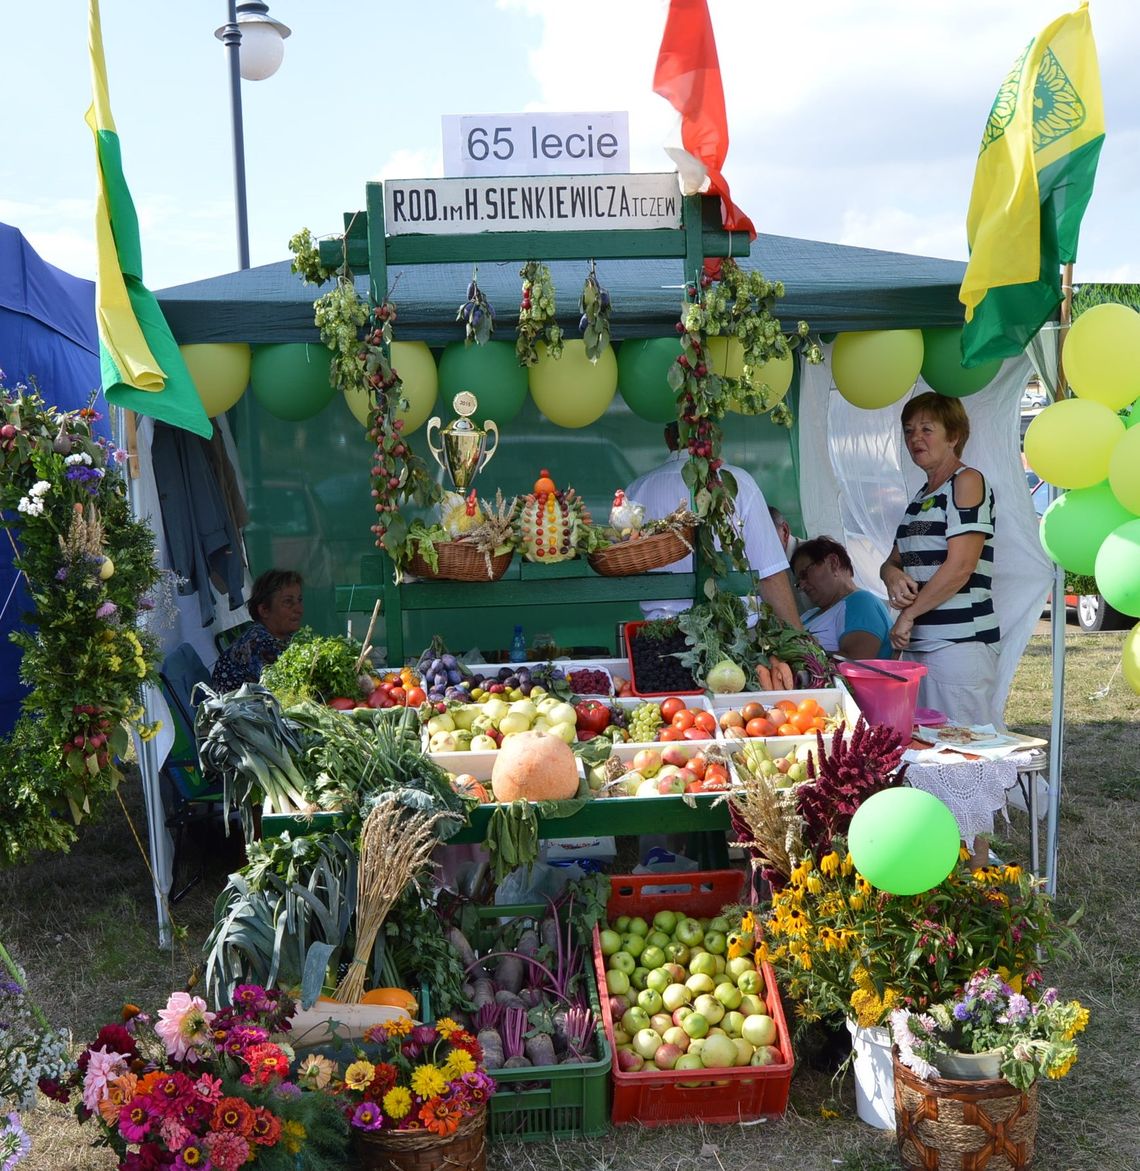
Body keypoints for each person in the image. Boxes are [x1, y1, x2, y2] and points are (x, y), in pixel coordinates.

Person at [879, 393, 1000, 725]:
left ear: (954, 436)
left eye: (926, 429)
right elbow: (892, 561)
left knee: (965, 744)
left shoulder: (967, 481)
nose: (915, 438)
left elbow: (961, 567)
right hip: (921, 643)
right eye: (908, 430)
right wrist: (891, 575)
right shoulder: (922, 497)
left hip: (958, 645)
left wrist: (908, 614)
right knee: (930, 744)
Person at [625, 423, 801, 629]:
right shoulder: (741, 483)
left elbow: (623, 563)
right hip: (736, 633)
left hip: (662, 632)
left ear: (667, 437)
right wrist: (799, 637)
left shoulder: (636, 490)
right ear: (716, 436)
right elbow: (770, 576)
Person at [791, 536, 892, 660]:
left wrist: (805, 653)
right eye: (798, 583)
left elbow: (856, 662)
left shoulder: (861, 602)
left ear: (833, 563)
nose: (802, 585)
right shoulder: (808, 614)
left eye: (804, 574)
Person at [211, 569, 304, 691]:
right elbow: (292, 689)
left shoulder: (280, 637)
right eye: (288, 602)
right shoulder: (258, 643)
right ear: (264, 610)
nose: (299, 609)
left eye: (299, 600)